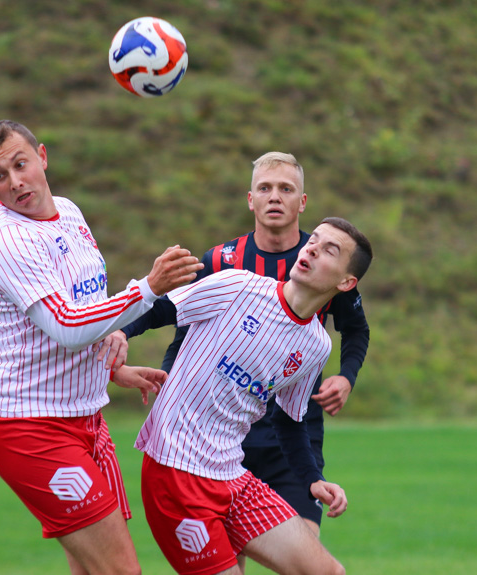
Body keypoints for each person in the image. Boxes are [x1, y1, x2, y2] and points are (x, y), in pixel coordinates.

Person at [105, 152, 370, 564]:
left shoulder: (317, 345)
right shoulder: (233, 281)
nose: (313, 249)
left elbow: (289, 420)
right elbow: (163, 310)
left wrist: (313, 480)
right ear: (251, 199)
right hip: (178, 472)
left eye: (329, 250)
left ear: (346, 281)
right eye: (314, 241)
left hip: (233, 474)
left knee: (327, 570)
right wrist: (119, 330)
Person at [0, 119, 203, 575]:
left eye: (21, 164)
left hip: (85, 420)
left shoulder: (69, 212)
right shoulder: (7, 241)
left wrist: (111, 370)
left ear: (42, 157)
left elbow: (84, 311)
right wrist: (149, 287)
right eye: (0, 175)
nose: (16, 182)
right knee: (121, 571)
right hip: (32, 433)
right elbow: (66, 326)